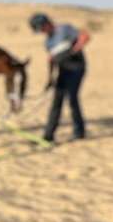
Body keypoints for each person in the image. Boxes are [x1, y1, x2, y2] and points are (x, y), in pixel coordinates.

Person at [29, 12, 90, 143]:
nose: (42, 32)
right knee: (56, 101)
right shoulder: (48, 42)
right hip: (63, 71)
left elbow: (85, 36)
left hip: (76, 68)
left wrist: (75, 50)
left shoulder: (64, 29)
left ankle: (79, 132)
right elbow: (51, 60)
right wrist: (50, 78)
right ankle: (48, 136)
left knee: (72, 98)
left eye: (42, 29)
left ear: (47, 23)